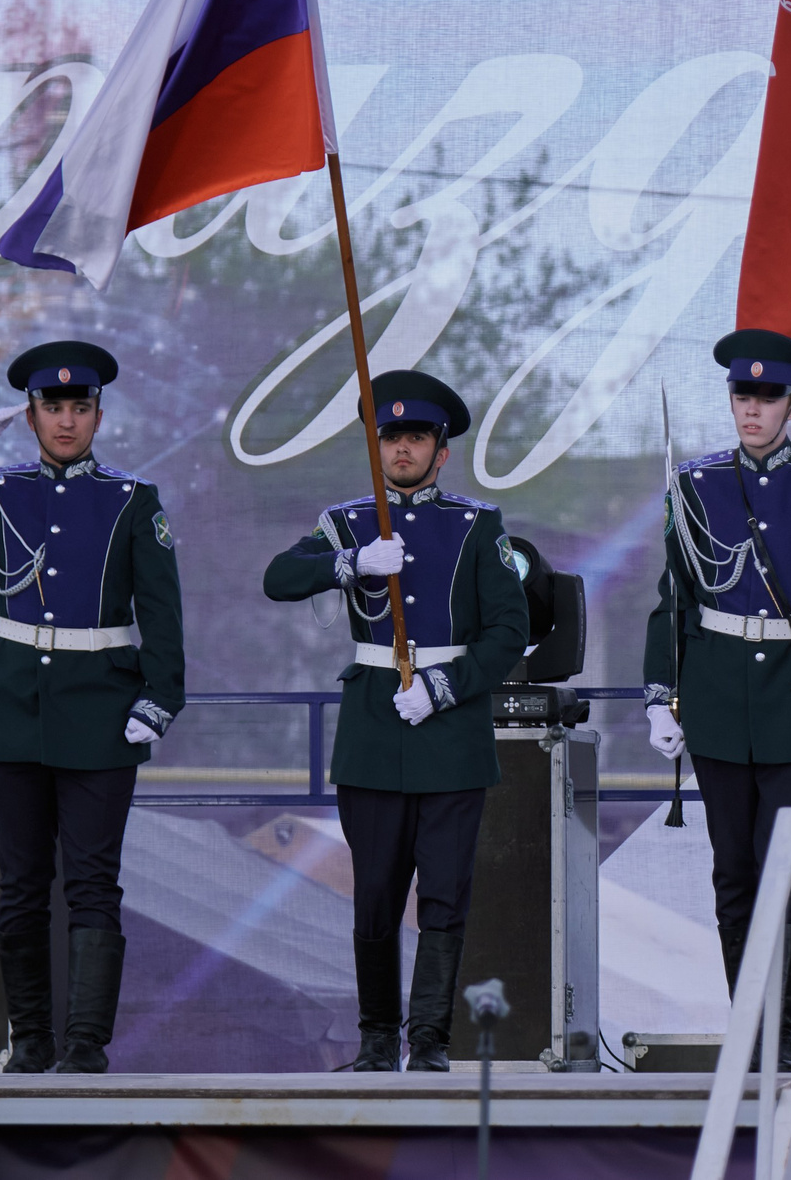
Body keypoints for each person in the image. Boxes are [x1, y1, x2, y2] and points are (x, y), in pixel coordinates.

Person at [0, 340, 183, 1074]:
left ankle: (85, 1044)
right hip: (15, 707)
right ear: (31, 414)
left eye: (80, 408)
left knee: (90, 882)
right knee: (20, 885)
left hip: (103, 712)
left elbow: (164, 613)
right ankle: (32, 1039)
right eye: (53, 407)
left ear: (98, 415)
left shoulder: (131, 500)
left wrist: (160, 699)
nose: (67, 421)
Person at [262, 370, 528, 1072]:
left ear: (442, 450)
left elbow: (509, 631)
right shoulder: (348, 521)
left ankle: (431, 1041)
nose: (403, 448)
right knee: (374, 890)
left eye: (416, 437)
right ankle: (378, 1036)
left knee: (443, 893)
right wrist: (348, 562)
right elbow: (279, 577)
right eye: (391, 437)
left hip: (449, 729)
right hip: (375, 728)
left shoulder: (477, 525)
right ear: (376, 446)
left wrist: (444, 686)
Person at [642, 328, 791, 1072]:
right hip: (714, 698)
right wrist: (660, 695)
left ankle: (779, 1033)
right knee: (732, 872)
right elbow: (671, 601)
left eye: (767, 396)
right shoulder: (695, 482)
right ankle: (747, 1028)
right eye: (742, 394)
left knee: (784, 873)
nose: (752, 408)